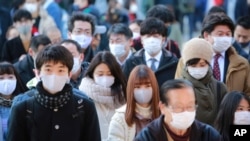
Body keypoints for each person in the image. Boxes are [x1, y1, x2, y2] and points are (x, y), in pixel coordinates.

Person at [7, 45, 101, 141]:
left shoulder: (84, 107)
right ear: (38, 73)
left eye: (61, 70)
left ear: (69, 74)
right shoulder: (23, 109)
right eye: (48, 70)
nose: (54, 75)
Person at [175, 12, 250, 95]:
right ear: (207, 35)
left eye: (228, 34)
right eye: (220, 34)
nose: (225, 38)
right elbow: (178, 90)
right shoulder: (187, 60)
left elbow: (247, 93)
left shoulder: (242, 64)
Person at [134, 79, 222, 141]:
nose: (185, 112)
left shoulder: (209, 135)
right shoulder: (147, 137)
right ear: (162, 107)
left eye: (190, 106)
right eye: (178, 107)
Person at [79, 51, 127, 140]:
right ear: (92, 74)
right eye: (100, 74)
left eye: (109, 74)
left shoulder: (123, 95)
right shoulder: (83, 97)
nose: (105, 78)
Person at [181, 37, 228, 125]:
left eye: (202, 65)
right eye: (193, 65)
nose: (198, 69)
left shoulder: (219, 88)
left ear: (208, 63)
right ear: (186, 65)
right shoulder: (179, 88)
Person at [107, 65, 160, 141]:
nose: (143, 91)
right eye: (137, 87)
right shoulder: (119, 118)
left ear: (154, 87)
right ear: (131, 89)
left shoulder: (164, 114)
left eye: (148, 86)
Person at [122, 17, 178, 87]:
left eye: (155, 36)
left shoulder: (173, 62)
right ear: (142, 39)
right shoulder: (131, 62)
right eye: (148, 36)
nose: (152, 40)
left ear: (163, 39)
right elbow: (125, 87)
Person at [0, 62, 27, 141]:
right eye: (1, 78)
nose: (6, 81)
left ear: (16, 79)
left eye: (10, 77)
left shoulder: (25, 102)